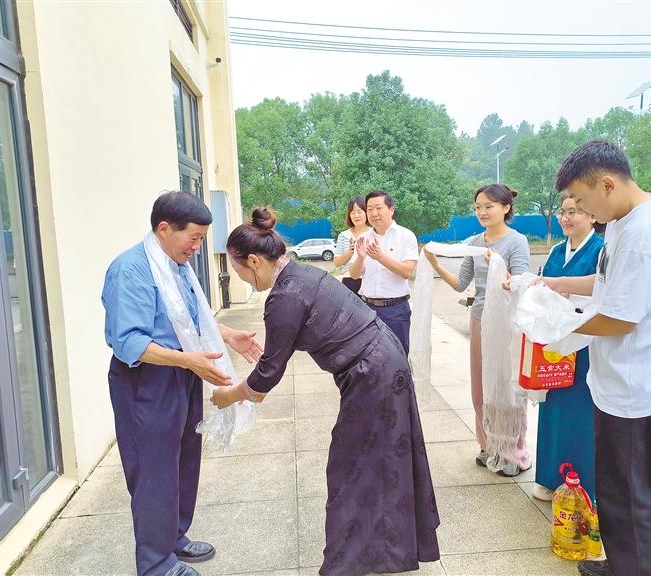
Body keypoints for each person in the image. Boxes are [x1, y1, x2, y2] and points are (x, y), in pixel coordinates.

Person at [212, 207, 440, 576]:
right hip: (383, 358)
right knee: (379, 457)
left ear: (254, 261)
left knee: (351, 467)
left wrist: (227, 396)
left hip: (372, 371)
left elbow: (267, 375)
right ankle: (384, 551)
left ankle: (350, 562)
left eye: (239, 271)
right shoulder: (300, 273)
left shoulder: (284, 295)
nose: (242, 279)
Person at [542, 141, 651, 576]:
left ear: (607, 184)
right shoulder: (624, 222)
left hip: (639, 389)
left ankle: (634, 569)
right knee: (613, 489)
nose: (582, 211)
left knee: (631, 498)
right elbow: (611, 283)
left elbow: (621, 318)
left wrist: (560, 329)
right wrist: (561, 289)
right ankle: (622, 563)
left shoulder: (644, 233)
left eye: (582, 201)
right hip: (619, 384)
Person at [101, 191, 263, 576]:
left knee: (183, 460)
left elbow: (187, 321)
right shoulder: (131, 270)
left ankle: (173, 538)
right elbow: (130, 342)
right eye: (193, 238)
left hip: (182, 372)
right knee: (154, 470)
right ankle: (156, 563)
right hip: (147, 380)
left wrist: (227, 335)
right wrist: (187, 360)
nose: (197, 247)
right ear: (163, 229)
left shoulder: (176, 266)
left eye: (202, 239)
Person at [424, 184, 531, 476]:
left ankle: (513, 453)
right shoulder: (474, 242)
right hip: (480, 319)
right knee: (481, 388)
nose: (482, 212)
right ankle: (488, 446)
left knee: (507, 389)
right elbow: (461, 284)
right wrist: (435, 263)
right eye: (478, 207)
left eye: (488, 206)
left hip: (507, 323)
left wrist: (497, 265)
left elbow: (520, 283)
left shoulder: (517, 241)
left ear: (506, 208)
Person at [532, 194, 604, 502]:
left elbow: (602, 291)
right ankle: (551, 476)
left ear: (592, 216)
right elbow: (543, 284)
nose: (566, 218)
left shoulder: (601, 250)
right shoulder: (556, 249)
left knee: (580, 412)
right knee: (552, 405)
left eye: (574, 212)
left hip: (583, 341)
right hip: (555, 341)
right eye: (563, 212)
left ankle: (580, 482)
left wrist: (559, 289)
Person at [349, 190, 419, 354]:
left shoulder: (405, 236)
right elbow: (354, 274)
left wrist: (380, 257)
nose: (374, 213)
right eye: (370, 209)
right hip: (367, 308)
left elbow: (407, 271)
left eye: (378, 208)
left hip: (395, 310)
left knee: (397, 356)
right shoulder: (364, 238)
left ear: (391, 210)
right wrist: (360, 258)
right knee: (369, 356)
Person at [332, 196, 370, 294]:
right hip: (348, 282)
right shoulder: (343, 235)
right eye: (352, 212)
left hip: (369, 281)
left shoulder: (374, 234)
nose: (356, 215)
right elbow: (336, 263)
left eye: (359, 211)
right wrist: (349, 253)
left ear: (366, 212)